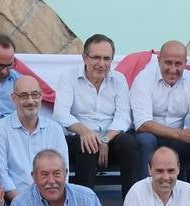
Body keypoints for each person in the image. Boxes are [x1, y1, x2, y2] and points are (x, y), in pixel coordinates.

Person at [52, 34, 141, 196]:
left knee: (128, 143)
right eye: (96, 58)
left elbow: (123, 117)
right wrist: (85, 132)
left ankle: (132, 205)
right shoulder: (69, 77)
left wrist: (106, 139)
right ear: (85, 57)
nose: (102, 64)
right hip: (78, 139)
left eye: (107, 59)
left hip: (109, 139)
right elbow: (60, 113)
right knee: (87, 145)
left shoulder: (118, 80)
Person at [131, 40, 190, 188]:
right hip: (150, 136)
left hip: (177, 142)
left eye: (178, 64)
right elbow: (142, 124)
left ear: (185, 62)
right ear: (158, 60)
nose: (173, 69)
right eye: (168, 63)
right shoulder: (143, 79)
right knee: (146, 141)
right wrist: (181, 134)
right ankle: (145, 195)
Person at [0, 77, 68, 202]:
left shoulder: (55, 129)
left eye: (35, 95)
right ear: (14, 98)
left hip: (51, 201)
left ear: (41, 96)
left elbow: (63, 172)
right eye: (24, 95)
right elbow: (0, 176)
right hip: (14, 202)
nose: (30, 101)